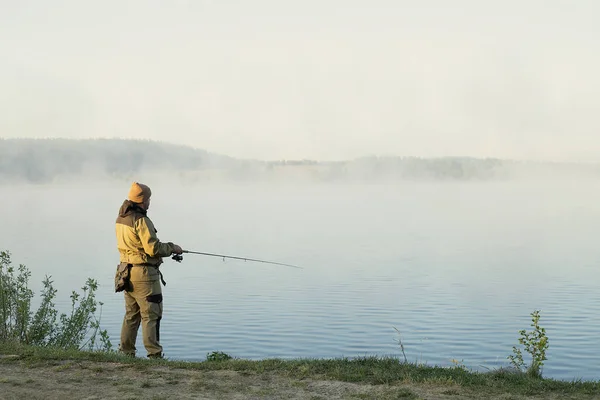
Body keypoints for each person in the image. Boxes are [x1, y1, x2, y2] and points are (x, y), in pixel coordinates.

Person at [115, 182, 183, 358]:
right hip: (144, 275)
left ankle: (125, 353)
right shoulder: (141, 220)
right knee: (151, 315)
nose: (150, 202)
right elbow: (153, 248)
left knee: (131, 315)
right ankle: (154, 356)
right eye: (149, 199)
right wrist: (172, 247)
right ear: (143, 200)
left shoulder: (121, 218)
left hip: (125, 272)